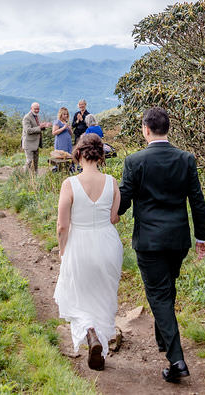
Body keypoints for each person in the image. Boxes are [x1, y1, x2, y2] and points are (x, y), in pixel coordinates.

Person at [118, 107, 205, 383]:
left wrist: (106, 200)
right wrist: (201, 237)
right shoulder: (185, 159)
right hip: (178, 240)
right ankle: (164, 340)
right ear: (167, 128)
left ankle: (176, 359)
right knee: (166, 290)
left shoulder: (134, 161)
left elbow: (122, 204)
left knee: (159, 295)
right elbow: (197, 200)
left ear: (146, 129)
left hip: (149, 242)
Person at [53, 133, 123, 371]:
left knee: (78, 296)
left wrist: (63, 249)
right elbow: (114, 218)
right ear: (101, 155)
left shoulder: (69, 184)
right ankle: (99, 345)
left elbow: (62, 226)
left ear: (79, 154)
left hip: (79, 243)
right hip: (107, 243)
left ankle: (90, 333)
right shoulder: (112, 182)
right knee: (103, 296)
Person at [21, 102, 51, 173]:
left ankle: (34, 178)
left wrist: (44, 126)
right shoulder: (26, 118)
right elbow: (28, 130)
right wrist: (40, 127)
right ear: (31, 108)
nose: (37, 110)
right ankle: (23, 175)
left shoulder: (37, 116)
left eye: (38, 109)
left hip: (36, 143)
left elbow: (38, 128)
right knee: (29, 162)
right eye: (35, 109)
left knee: (36, 162)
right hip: (28, 143)